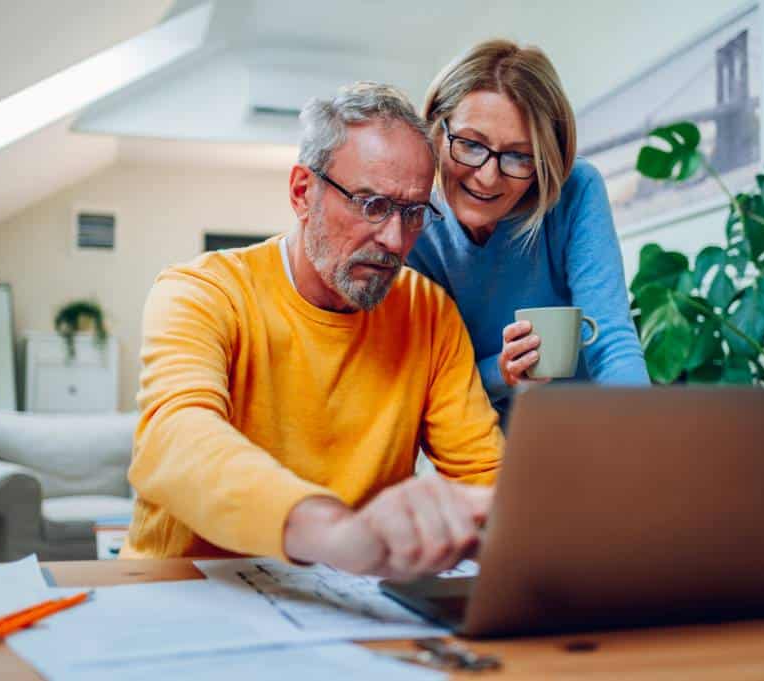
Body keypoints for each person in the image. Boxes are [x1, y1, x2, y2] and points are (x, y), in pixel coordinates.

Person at [123, 82, 503, 581]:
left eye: (412, 213)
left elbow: (486, 480)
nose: (394, 239)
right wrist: (337, 534)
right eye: (372, 205)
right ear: (303, 192)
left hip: (349, 601)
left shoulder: (428, 312)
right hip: (185, 589)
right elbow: (175, 439)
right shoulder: (202, 291)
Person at [407, 40, 649, 425]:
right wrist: (499, 371)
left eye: (519, 156)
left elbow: (612, 342)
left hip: (590, 434)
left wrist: (646, 435)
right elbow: (428, 387)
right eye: (470, 144)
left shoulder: (575, 192)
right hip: (483, 452)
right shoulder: (412, 227)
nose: (487, 177)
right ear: (436, 129)